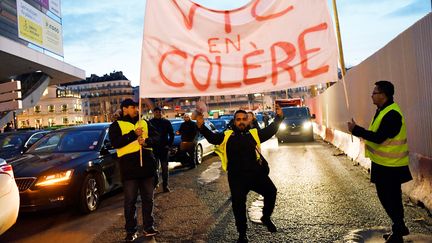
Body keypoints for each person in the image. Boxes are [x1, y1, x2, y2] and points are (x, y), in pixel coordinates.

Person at [196, 106, 283, 243]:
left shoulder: (254, 133)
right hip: (237, 178)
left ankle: (265, 217)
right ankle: (242, 234)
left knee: (271, 191)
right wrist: (201, 126)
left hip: (256, 175)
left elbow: (271, 130)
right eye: (238, 120)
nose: (241, 122)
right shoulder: (227, 136)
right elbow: (213, 138)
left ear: (248, 121)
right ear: (234, 121)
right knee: (238, 205)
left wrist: (278, 118)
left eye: (244, 119)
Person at [348, 80, 411, 243]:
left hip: (391, 166)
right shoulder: (382, 110)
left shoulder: (392, 114)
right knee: (389, 198)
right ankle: (399, 227)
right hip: (383, 164)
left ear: (383, 95)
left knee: (390, 199)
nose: (372, 95)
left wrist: (357, 130)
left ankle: (398, 232)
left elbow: (379, 137)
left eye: (375, 92)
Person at [109, 99, 160, 242]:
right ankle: (130, 231)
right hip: (129, 169)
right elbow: (116, 143)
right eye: (133, 107)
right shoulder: (116, 125)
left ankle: (148, 226)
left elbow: (157, 137)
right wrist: (133, 134)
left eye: (137, 107)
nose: (136, 110)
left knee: (148, 200)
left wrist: (147, 141)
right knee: (130, 202)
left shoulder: (144, 122)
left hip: (147, 168)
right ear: (124, 109)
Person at [149, 107, 174, 193]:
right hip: (154, 149)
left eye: (159, 112)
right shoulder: (150, 123)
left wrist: (169, 145)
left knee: (164, 168)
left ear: (161, 112)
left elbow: (172, 134)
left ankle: (165, 186)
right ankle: (156, 183)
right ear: (153, 113)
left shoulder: (166, 122)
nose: (158, 113)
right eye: (156, 112)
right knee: (154, 168)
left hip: (164, 148)